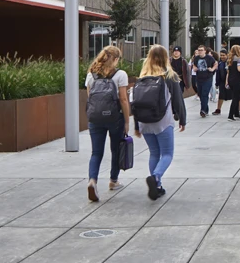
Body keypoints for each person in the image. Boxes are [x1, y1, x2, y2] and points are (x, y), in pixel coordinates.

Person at [133, 44, 187, 200]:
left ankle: (157, 187)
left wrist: (136, 125)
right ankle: (156, 177)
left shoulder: (142, 77)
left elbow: (135, 103)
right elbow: (178, 100)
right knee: (167, 153)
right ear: (165, 58)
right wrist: (182, 119)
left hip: (144, 122)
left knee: (154, 153)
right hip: (163, 121)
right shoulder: (169, 76)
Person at [84, 45, 131, 202]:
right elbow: (123, 99)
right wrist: (127, 121)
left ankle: (92, 181)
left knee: (96, 152)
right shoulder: (120, 74)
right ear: (116, 59)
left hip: (95, 118)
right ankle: (113, 181)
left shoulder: (91, 74)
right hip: (114, 118)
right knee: (116, 150)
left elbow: (90, 98)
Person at [191, 45, 217, 117]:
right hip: (199, 78)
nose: (200, 51)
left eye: (201, 50)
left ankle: (203, 110)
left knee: (204, 94)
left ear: (205, 51)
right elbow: (194, 65)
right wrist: (194, 68)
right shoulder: (196, 58)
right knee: (200, 94)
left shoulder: (209, 58)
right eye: (199, 50)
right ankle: (206, 109)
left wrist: (212, 69)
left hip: (207, 78)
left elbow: (215, 64)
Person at [226, 45, 240, 120]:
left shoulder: (230, 59)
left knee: (236, 96)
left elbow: (228, 71)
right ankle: (231, 115)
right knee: (235, 98)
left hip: (231, 79)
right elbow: (239, 69)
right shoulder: (238, 59)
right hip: (236, 80)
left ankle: (236, 113)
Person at [213, 49, 229, 115]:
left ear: (227, 55)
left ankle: (236, 110)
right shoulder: (219, 63)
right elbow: (218, 74)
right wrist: (217, 83)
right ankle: (218, 109)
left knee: (233, 96)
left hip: (229, 81)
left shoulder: (229, 62)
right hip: (222, 82)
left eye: (223, 55)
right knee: (221, 95)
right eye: (221, 55)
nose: (222, 57)